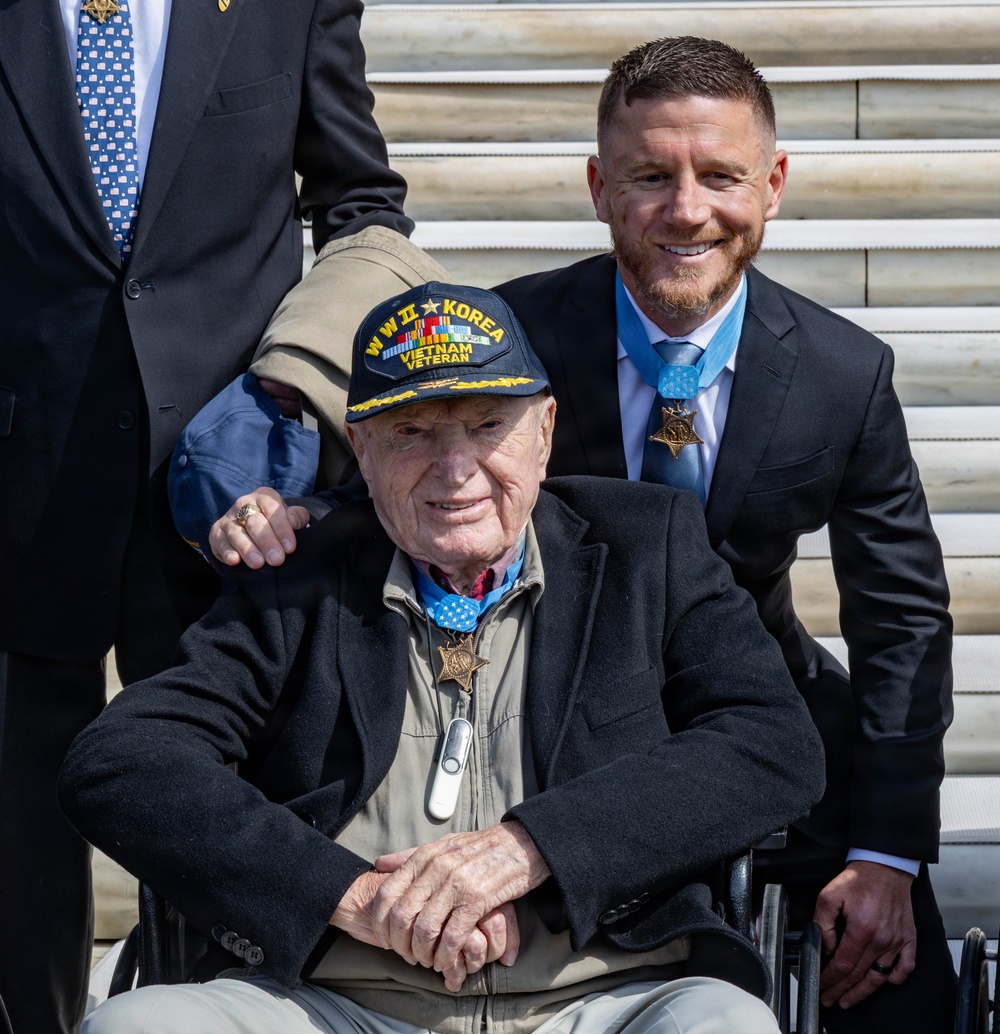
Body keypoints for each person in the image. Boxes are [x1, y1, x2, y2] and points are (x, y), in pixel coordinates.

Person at [201, 37, 956, 1034]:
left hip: (748, 696)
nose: (687, 209)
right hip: (558, 701)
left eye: (720, 175)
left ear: (771, 185)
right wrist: (293, 513)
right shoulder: (513, 336)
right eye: (650, 176)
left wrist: (885, 854)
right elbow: (419, 476)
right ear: (599, 188)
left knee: (899, 987)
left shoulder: (840, 372)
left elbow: (901, 614)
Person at [59, 282, 824, 1034]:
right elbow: (120, 760)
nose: (455, 470)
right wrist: (352, 896)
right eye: (412, 433)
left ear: (545, 430)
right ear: (361, 449)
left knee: (727, 1024)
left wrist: (530, 850)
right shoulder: (301, 576)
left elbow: (773, 741)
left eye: (489, 425)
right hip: (337, 1006)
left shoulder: (643, 546)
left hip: (607, 996)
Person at [0, 1, 416, 1030]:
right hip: (23, 474)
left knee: (217, 795)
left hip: (229, 495)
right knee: (14, 818)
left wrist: (291, 394)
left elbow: (362, 203)